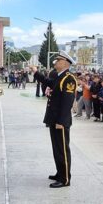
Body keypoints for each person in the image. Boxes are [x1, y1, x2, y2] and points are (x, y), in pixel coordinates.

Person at [32, 51, 78, 188]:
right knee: (56, 148)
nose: (55, 62)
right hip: (54, 119)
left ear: (65, 62)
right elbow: (48, 82)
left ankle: (65, 179)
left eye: (58, 60)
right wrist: (36, 73)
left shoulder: (68, 78)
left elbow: (67, 102)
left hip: (60, 121)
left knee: (62, 149)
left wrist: (61, 122)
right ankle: (60, 172)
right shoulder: (60, 76)